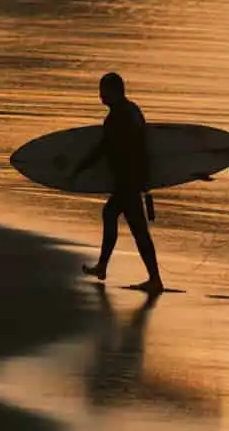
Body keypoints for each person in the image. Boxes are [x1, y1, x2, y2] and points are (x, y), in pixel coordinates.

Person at [69, 72, 164, 294]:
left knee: (123, 221)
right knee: (124, 222)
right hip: (134, 179)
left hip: (127, 181)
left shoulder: (117, 118)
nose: (100, 95)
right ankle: (142, 275)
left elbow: (103, 149)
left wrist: (79, 169)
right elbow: (144, 145)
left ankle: (151, 278)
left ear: (115, 91)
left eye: (104, 91)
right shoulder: (132, 110)